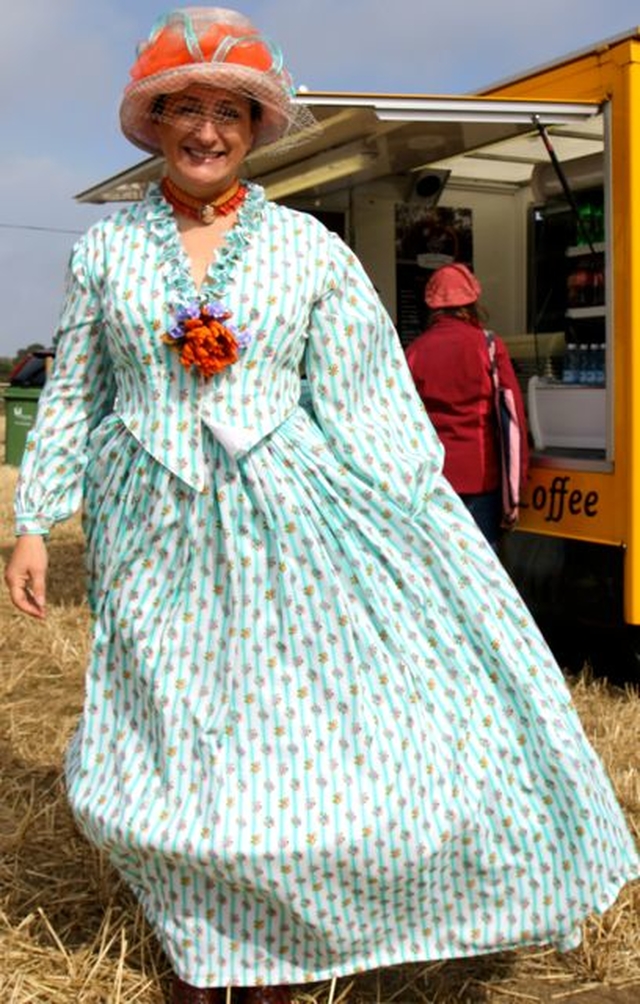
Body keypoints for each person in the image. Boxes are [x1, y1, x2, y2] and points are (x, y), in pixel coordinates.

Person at [4, 8, 638, 1004]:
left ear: (255, 126)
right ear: (153, 121)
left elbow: (364, 397)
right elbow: (79, 392)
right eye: (184, 108)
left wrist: (423, 519)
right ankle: (197, 939)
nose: (206, 129)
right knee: (172, 736)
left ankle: (272, 958)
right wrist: (33, 520)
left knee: (274, 736)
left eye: (229, 110)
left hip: (281, 524)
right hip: (150, 532)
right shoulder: (106, 251)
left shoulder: (306, 249)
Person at [405, 262, 529, 549]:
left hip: (433, 482)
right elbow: (514, 419)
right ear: (472, 303)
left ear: (432, 307)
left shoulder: (413, 352)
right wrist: (516, 489)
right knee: (484, 572)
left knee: (442, 570)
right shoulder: (488, 346)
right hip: (482, 479)